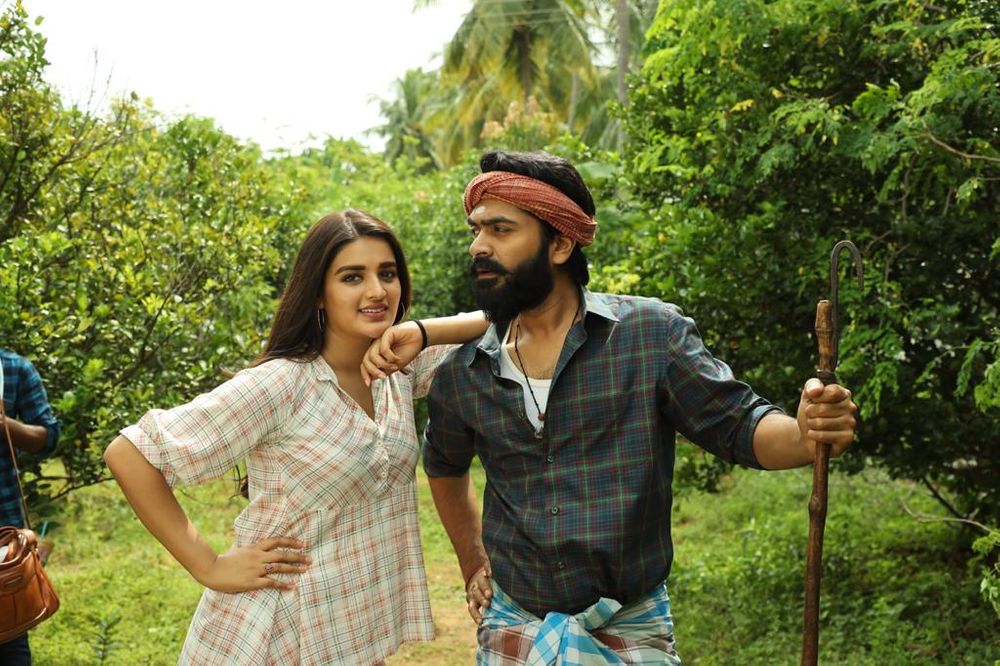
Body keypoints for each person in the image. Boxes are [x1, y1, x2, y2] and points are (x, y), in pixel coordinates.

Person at [415, 150, 858, 664]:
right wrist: (473, 560)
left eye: (500, 229)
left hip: (630, 631)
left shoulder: (649, 337)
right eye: (476, 230)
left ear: (560, 243)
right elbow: (443, 465)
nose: (478, 246)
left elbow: (739, 427)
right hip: (514, 627)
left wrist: (806, 433)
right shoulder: (465, 371)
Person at [103, 210, 488, 664]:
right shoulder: (282, 384)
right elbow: (130, 453)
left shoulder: (398, 368)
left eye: (387, 274)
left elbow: (514, 322)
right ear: (318, 293)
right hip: (273, 631)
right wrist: (209, 565)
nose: (376, 291)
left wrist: (423, 331)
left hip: (348, 635)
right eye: (352, 277)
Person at [0, 347, 60, 666]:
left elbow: (48, 437)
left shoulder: (13, 369)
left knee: (8, 634)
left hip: (3, 531)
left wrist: (4, 424)